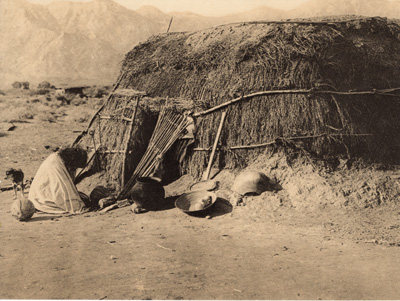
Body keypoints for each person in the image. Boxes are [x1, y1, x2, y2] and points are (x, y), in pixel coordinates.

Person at [28, 146, 88, 214]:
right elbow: (60, 188)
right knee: (73, 203)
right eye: (75, 167)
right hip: (40, 197)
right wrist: (76, 205)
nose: (74, 169)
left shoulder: (61, 160)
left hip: (48, 192)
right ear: (71, 161)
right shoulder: (55, 163)